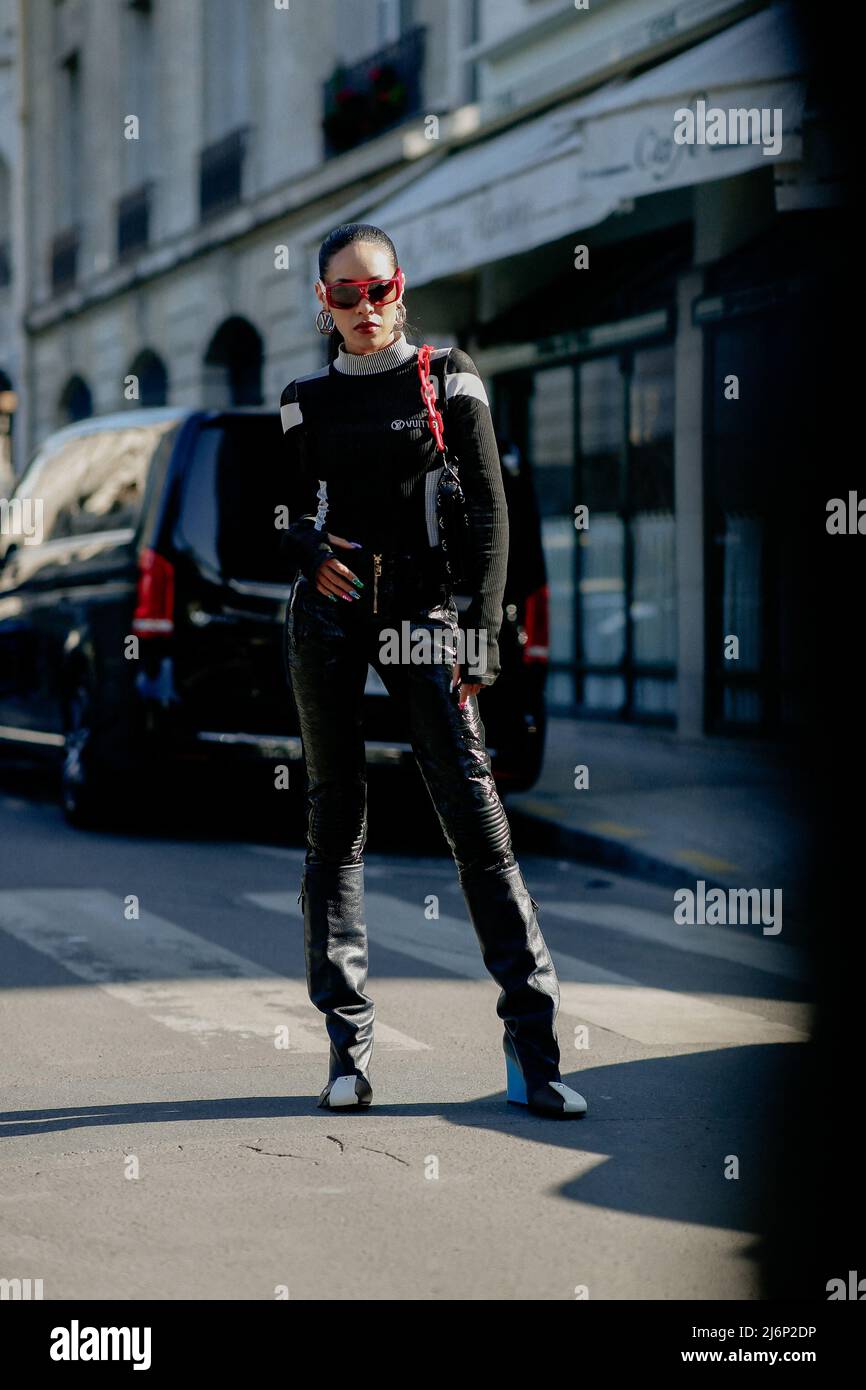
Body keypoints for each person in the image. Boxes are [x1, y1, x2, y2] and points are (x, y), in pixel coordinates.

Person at [280, 221, 587, 1119]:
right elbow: (285, 513)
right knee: (336, 817)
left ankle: (536, 1053)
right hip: (332, 616)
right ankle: (347, 1052)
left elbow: (491, 508)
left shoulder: (448, 375)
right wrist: (303, 546)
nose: (365, 307)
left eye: (378, 289)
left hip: (427, 613)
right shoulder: (303, 399)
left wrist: (485, 635)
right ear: (323, 303)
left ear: (400, 288)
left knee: (475, 813)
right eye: (345, 292)